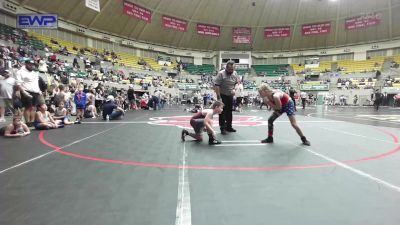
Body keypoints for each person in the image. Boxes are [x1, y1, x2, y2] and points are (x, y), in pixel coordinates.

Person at [214, 61, 239, 134]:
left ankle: (229, 127)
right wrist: (219, 98)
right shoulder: (221, 74)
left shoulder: (235, 73)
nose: (231, 71)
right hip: (222, 95)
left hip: (230, 95)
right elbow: (217, 85)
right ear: (226, 68)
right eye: (230, 69)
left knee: (229, 111)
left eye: (232, 69)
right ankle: (222, 128)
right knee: (222, 112)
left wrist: (234, 89)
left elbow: (236, 83)